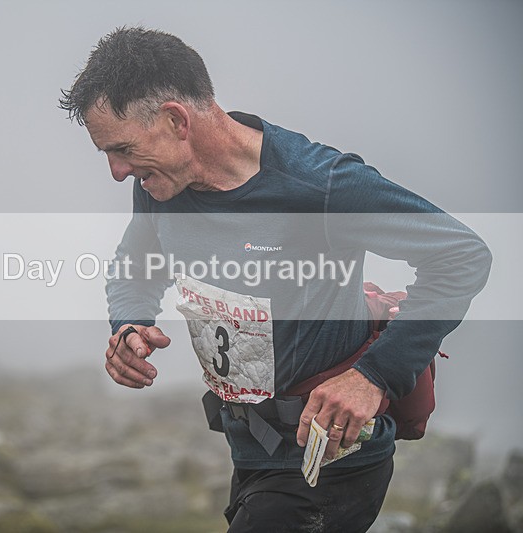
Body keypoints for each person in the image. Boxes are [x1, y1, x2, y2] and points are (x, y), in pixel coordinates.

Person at [59, 27, 492, 532]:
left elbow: (461, 255)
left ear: (177, 120)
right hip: (251, 452)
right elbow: (136, 266)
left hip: (332, 461)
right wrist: (129, 324)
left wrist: (373, 377)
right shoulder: (160, 185)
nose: (117, 171)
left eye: (123, 149)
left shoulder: (318, 184)